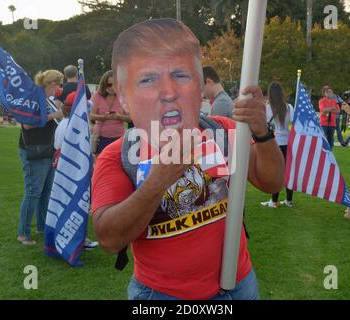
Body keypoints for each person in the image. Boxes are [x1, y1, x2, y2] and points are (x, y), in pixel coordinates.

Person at [91, 18, 284, 300]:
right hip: (162, 295)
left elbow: (273, 182)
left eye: (181, 75)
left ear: (199, 87)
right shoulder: (117, 156)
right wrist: (156, 182)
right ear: (124, 98)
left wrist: (262, 133)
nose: (168, 92)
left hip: (240, 284)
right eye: (148, 79)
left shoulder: (223, 131)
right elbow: (109, 239)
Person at [17, 70, 63, 245]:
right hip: (34, 150)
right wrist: (54, 116)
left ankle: (42, 226)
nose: (59, 89)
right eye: (58, 84)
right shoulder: (33, 97)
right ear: (51, 83)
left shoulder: (45, 99)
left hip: (46, 149)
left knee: (45, 191)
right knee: (33, 192)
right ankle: (23, 233)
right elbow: (27, 124)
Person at [53, 91, 99, 250]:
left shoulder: (64, 123)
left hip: (65, 171)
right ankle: (78, 240)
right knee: (77, 206)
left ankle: (70, 238)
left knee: (68, 206)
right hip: (73, 173)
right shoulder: (74, 126)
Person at [261, 82, 294, 208]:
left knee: (276, 173)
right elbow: (295, 122)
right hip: (288, 142)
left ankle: (274, 201)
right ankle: (289, 200)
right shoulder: (288, 107)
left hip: (275, 143)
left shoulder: (267, 108)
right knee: (287, 172)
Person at [89, 70, 130, 155]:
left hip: (119, 138)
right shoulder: (97, 96)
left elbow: (130, 118)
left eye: (115, 84)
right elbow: (91, 116)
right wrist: (104, 117)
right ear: (104, 84)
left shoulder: (123, 96)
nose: (112, 87)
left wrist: (119, 117)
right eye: (109, 84)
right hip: (101, 137)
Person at [319, 85, 341, 150]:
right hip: (324, 123)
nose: (330, 93)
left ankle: (330, 154)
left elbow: (338, 111)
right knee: (323, 139)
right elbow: (323, 110)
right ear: (324, 93)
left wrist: (328, 110)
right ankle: (322, 154)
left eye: (331, 92)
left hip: (332, 123)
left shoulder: (334, 101)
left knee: (331, 140)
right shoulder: (321, 101)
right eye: (328, 92)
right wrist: (332, 108)